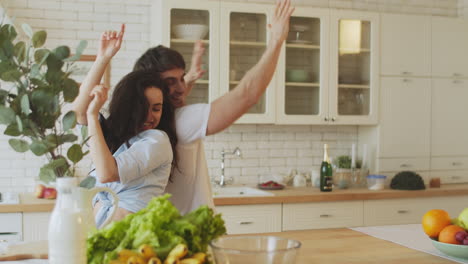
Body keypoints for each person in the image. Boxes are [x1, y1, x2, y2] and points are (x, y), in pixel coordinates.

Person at [133, 0, 294, 214]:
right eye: (171, 82)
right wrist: (276, 40)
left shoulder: (145, 124)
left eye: (182, 78)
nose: (181, 88)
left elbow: (175, 96)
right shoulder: (182, 122)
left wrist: (189, 75)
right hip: (189, 235)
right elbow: (246, 94)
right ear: (151, 87)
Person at [72, 26, 178, 228]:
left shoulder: (157, 140)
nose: (150, 116)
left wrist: (93, 115)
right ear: (128, 106)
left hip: (133, 237)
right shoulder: (112, 137)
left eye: (156, 109)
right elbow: (78, 112)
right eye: (143, 108)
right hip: (102, 231)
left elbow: (107, 173)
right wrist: (103, 58)